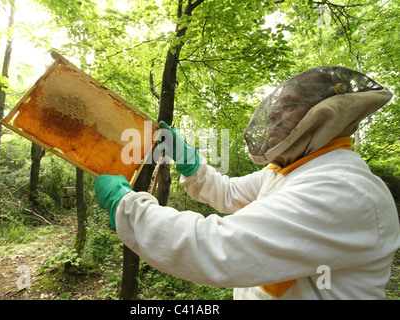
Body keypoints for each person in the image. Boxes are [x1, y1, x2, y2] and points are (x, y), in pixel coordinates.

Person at [94, 66, 400, 300]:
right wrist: (188, 160)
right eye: (275, 106)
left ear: (326, 114)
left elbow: (217, 246)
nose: (273, 115)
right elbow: (228, 192)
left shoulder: (343, 189)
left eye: (289, 104)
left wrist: (127, 207)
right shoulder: (286, 172)